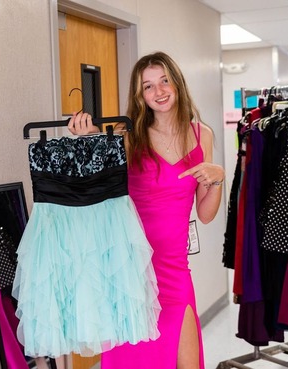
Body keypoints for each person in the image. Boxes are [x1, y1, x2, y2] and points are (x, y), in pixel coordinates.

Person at [69, 51, 225, 369]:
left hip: (175, 271)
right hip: (132, 271)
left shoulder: (201, 135)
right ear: (141, 96)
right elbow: (97, 192)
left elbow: (206, 215)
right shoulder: (128, 139)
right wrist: (87, 141)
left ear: (177, 83)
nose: (159, 91)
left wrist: (218, 177)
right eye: (149, 86)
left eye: (164, 81)